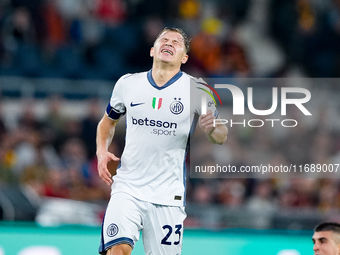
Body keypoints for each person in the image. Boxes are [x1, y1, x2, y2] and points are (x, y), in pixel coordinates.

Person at [96, 27, 228, 255]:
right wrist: (101, 151)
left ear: (184, 57)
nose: (169, 43)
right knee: (118, 250)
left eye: (176, 42)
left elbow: (221, 136)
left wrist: (213, 128)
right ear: (152, 50)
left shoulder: (197, 89)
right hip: (128, 186)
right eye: (164, 40)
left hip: (168, 195)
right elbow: (107, 122)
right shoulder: (128, 84)